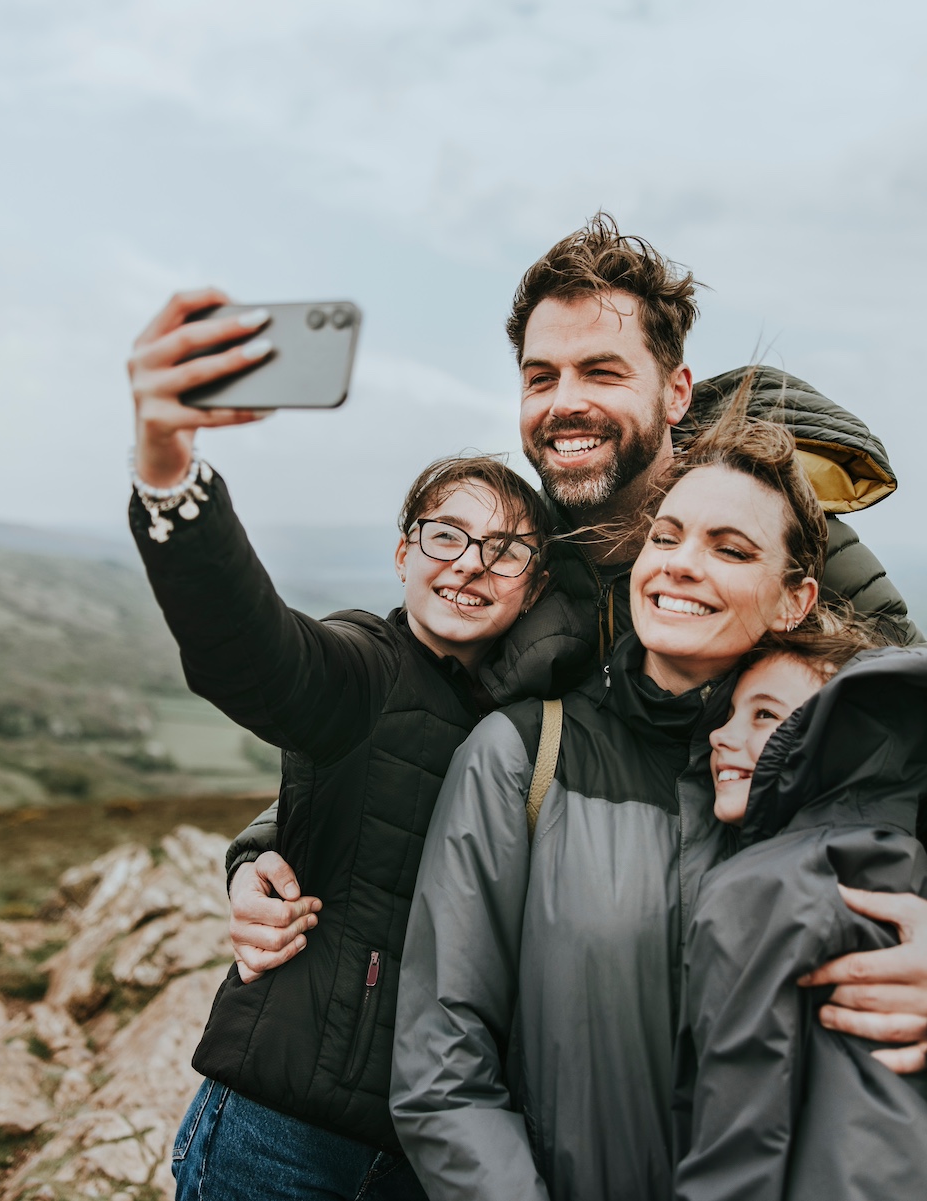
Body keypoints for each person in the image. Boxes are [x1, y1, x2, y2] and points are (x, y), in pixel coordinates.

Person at [222, 213, 927, 1073]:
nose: (565, 403)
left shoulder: (775, 531)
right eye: (540, 375)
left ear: (674, 392)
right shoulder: (528, 555)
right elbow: (404, 706)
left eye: (602, 370)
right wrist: (263, 851)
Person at [389, 403, 927, 1199]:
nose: (682, 564)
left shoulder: (850, 791)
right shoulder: (522, 756)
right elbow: (442, 1068)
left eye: (729, 548)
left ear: (794, 598)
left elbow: (924, 1109)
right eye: (667, 536)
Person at [125, 291, 589, 1200]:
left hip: (439, 1155)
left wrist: (255, 843)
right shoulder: (364, 665)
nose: (469, 563)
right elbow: (253, 652)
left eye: (505, 551)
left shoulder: (544, 720)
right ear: (402, 555)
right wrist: (169, 470)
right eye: (446, 535)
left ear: (535, 589)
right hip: (282, 1137)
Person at [672, 631, 927, 1200]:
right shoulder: (907, 866)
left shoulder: (764, 886)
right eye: (728, 714)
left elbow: (738, 1142)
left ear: (842, 740)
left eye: (765, 715)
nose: (720, 736)